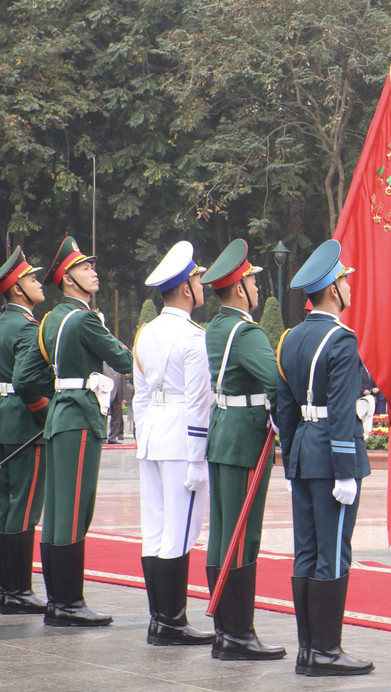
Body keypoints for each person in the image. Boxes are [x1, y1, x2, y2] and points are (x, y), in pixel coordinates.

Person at [14, 236, 133, 626]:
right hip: (80, 417)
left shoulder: (49, 321)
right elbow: (121, 358)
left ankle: (57, 602)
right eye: (85, 268)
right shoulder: (83, 319)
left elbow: (26, 377)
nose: (93, 272)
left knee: (60, 509)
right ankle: (68, 603)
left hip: (60, 417)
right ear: (67, 278)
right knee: (74, 510)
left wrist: (56, 397)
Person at [277, 239, 373, 676]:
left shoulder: (291, 338)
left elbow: (284, 408)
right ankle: (326, 652)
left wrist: (298, 451)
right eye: (345, 281)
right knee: (333, 553)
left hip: (302, 454)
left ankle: (307, 649)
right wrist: (344, 469)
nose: (350, 286)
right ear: (332, 290)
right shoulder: (341, 340)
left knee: (306, 551)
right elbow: (339, 409)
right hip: (332, 457)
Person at [200, 239, 285, 661]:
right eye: (252, 281)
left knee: (222, 532)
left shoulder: (217, 326)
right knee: (242, 536)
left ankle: (225, 631)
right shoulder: (246, 331)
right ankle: (237, 634)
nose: (256, 288)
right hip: (245, 439)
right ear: (240, 289)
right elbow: (275, 382)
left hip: (223, 434)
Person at [132, 241, 215, 646]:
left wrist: (143, 439)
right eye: (198, 279)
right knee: (179, 534)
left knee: (155, 531)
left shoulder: (145, 332)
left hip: (152, 439)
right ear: (186, 288)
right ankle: (173, 622)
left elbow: (141, 397)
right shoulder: (194, 337)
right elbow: (200, 403)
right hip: (182, 440)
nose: (201, 285)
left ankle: (158, 619)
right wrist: (198, 458)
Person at [0, 247, 48, 615]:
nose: (38, 284)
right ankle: (17, 589)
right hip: (22, 422)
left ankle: (5, 587)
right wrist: (45, 415)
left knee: (3, 503)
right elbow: (27, 382)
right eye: (32, 279)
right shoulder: (29, 327)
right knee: (24, 505)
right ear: (17, 289)